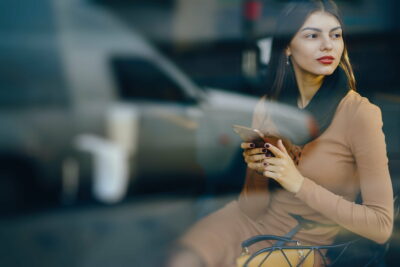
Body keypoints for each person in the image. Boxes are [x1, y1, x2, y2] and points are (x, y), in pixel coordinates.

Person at [167, 1, 394, 266]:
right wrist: (257, 171)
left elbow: (381, 226)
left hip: (305, 244)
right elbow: (251, 208)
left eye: (335, 35)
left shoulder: (360, 114)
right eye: (312, 35)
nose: (328, 45)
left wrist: (297, 182)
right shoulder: (269, 106)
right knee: (183, 260)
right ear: (287, 46)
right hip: (252, 224)